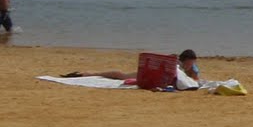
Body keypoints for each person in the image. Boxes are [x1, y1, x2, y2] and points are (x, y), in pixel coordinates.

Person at [60, 49, 201, 87]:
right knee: (121, 76)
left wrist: (192, 73)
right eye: (190, 62)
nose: (191, 65)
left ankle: (88, 73)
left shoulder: (191, 68)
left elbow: (195, 81)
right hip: (151, 74)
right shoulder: (175, 62)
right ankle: (87, 74)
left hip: (156, 76)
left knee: (122, 75)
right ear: (185, 60)